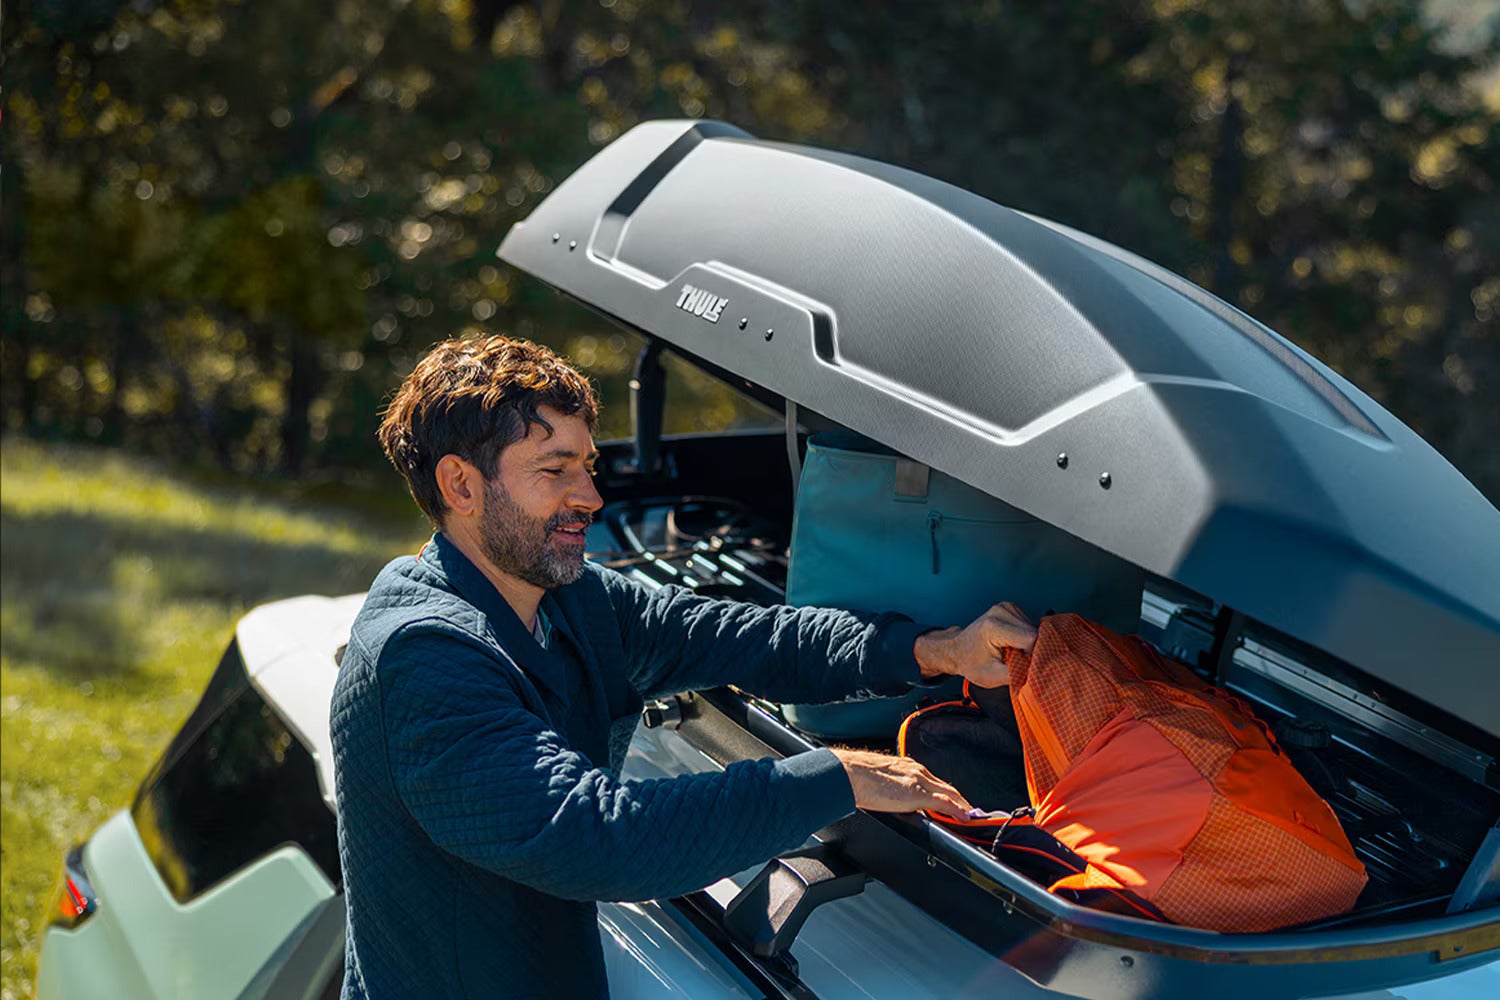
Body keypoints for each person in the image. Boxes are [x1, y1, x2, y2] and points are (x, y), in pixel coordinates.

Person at [330, 334, 1038, 999]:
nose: (591, 498)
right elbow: (600, 837)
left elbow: (747, 639)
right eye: (555, 471)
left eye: (588, 466)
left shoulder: (571, 600)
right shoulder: (421, 660)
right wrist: (839, 777)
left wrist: (940, 650)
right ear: (461, 486)